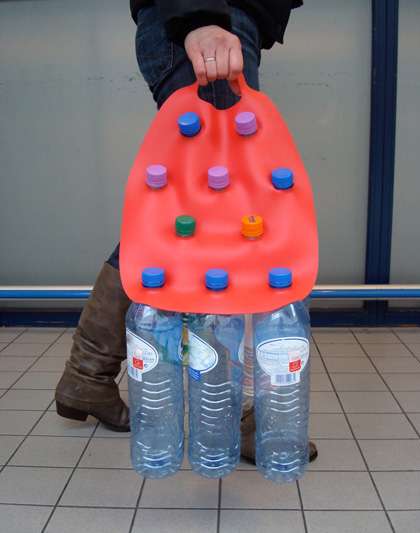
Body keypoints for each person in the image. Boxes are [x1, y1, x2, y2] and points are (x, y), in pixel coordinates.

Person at [55, 0, 318, 463]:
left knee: (191, 221)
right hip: (208, 19)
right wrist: (201, 20)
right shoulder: (205, 22)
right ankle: (231, 410)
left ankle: (87, 375)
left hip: (214, 21)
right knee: (220, 225)